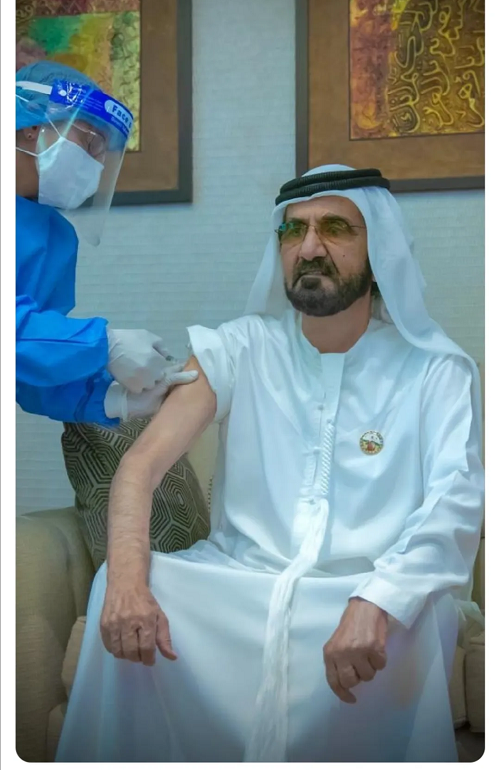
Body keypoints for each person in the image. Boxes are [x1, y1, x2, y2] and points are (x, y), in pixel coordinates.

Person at [56, 164, 484, 763]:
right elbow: (140, 467)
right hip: (239, 586)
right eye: (292, 230)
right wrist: (128, 581)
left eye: (336, 228)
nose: (308, 248)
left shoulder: (436, 369)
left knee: (417, 618)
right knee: (121, 582)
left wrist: (379, 598)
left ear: (379, 247)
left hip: (363, 588)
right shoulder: (237, 348)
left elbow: (455, 500)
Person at [16, 62, 197, 425]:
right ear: (32, 125)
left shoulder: (54, 239)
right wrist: (102, 344)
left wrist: (111, 398)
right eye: (91, 142)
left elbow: (31, 367)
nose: (96, 165)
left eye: (101, 154)